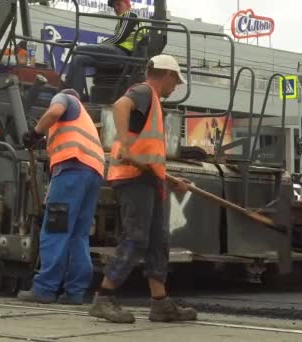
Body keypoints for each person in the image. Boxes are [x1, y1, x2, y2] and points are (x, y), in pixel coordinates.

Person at [88, 55, 197, 323]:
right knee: (136, 237)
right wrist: (123, 143)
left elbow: (149, 157)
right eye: (176, 81)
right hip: (132, 176)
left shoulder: (154, 103)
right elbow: (120, 105)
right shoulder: (144, 91)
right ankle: (104, 298)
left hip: (148, 178)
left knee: (158, 242)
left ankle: (160, 303)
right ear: (167, 75)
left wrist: (171, 180)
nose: (175, 87)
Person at [17, 89, 105, 305]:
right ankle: (75, 292)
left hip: (72, 169)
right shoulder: (86, 120)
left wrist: (35, 133)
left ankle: (45, 289)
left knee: (56, 230)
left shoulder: (65, 98)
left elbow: (54, 112)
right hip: (93, 173)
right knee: (78, 235)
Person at [63, 0, 145, 98]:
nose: (116, 8)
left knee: (78, 49)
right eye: (114, 6)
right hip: (118, 55)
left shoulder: (129, 15)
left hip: (122, 54)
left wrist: (101, 45)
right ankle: (76, 94)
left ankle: (66, 86)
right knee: (79, 59)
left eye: (119, 4)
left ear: (128, 5)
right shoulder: (125, 20)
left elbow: (119, 38)